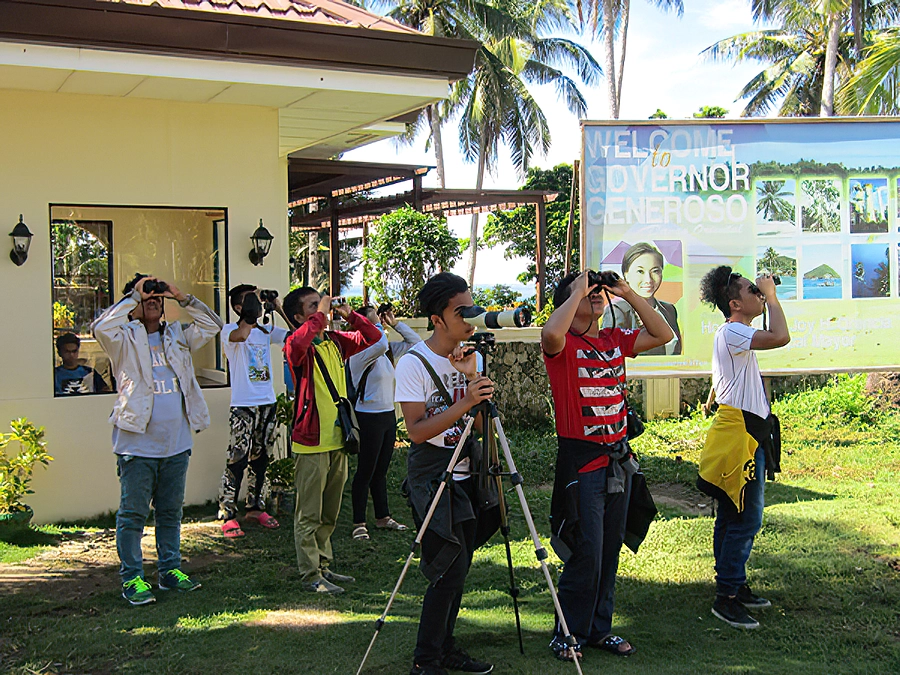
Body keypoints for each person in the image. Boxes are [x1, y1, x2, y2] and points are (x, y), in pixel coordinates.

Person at [542, 270, 673, 661]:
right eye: (586, 292)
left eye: (598, 292)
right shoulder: (562, 345)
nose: (595, 296)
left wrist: (628, 293)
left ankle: (599, 629)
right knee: (588, 550)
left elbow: (663, 335)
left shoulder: (613, 340)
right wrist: (577, 289)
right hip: (583, 463)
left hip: (619, 461)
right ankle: (567, 632)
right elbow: (549, 334)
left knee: (610, 548)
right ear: (569, 301)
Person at [92, 274, 222, 605]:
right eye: (147, 296)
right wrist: (134, 297)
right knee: (133, 515)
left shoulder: (177, 335)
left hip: (176, 443)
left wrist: (182, 296)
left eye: (158, 297)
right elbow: (101, 328)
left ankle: (169, 571)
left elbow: (212, 325)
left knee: (169, 513)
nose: (154, 300)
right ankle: (133, 579)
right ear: (133, 304)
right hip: (136, 444)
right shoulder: (123, 338)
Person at [394, 272, 496, 675]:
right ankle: (427, 659)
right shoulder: (413, 363)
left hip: (469, 471)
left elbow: (485, 425)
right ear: (437, 319)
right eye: (460, 311)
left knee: (461, 567)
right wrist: (465, 401)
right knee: (446, 569)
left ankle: (446, 648)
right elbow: (417, 432)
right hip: (433, 475)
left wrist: (473, 378)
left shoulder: (475, 357)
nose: (470, 317)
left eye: (471, 307)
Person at [697, 268, 789, 630]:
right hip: (741, 438)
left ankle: (732, 584)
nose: (759, 292)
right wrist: (774, 297)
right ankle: (728, 597)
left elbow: (768, 335)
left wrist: (765, 297)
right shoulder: (733, 330)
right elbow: (780, 336)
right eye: (752, 290)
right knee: (746, 517)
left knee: (732, 515)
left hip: (747, 434)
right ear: (735, 303)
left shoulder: (736, 333)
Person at [283, 287, 381, 594]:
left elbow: (374, 339)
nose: (321, 310)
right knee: (309, 513)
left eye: (321, 304)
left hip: (339, 438)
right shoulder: (296, 345)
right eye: (312, 307)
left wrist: (350, 315)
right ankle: (310, 573)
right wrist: (321, 314)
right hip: (311, 443)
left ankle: (323, 565)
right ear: (299, 317)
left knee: (329, 512)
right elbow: (300, 339)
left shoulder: (335, 342)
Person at [217, 285, 294, 539]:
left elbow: (295, 334)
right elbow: (240, 335)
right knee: (237, 459)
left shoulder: (265, 331)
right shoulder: (230, 330)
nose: (257, 303)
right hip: (243, 405)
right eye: (250, 300)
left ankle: (255, 507)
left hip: (267, 402)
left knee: (261, 460)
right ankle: (227, 513)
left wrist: (278, 306)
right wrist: (250, 315)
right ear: (239, 307)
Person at [347, 304, 421, 541]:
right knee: (365, 471)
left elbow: (416, 343)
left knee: (380, 470)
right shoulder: (358, 354)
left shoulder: (386, 351)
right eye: (372, 323)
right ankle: (359, 522)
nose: (379, 326)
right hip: (368, 417)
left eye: (379, 322)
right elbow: (377, 343)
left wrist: (395, 322)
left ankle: (382, 516)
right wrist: (376, 330)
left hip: (388, 415)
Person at [602, 242, 682, 355]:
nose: (648, 279)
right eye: (640, 271)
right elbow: (611, 354)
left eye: (655, 271)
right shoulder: (617, 310)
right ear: (626, 275)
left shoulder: (669, 309)